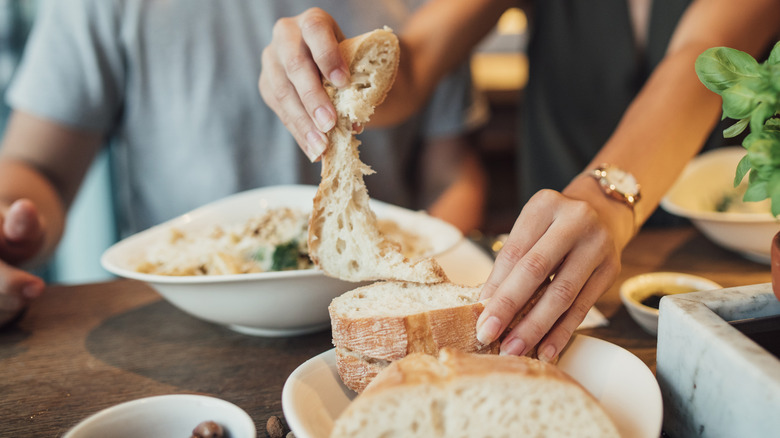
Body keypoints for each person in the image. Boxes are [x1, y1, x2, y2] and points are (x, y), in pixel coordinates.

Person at [258, 0, 780, 361]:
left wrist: (603, 199)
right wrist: (326, 66)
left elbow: (706, 57)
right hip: (548, 263)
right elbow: (414, 65)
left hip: (712, 257)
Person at [0, 0, 488, 323]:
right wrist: (12, 219)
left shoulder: (431, 10)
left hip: (377, 305)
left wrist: (428, 285)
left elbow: (450, 175)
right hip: (180, 319)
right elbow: (36, 166)